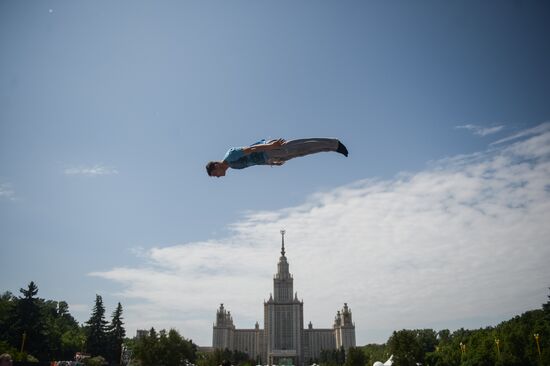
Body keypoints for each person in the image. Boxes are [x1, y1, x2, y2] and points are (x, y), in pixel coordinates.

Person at [206, 138, 348, 177]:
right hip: (269, 157)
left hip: (269, 150)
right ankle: (332, 147)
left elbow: (251, 149)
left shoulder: (230, 156)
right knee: (302, 152)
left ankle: (334, 143)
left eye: (215, 175)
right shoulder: (234, 166)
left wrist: (270, 146)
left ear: (216, 166)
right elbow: (252, 163)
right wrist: (270, 163)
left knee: (301, 146)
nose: (218, 177)